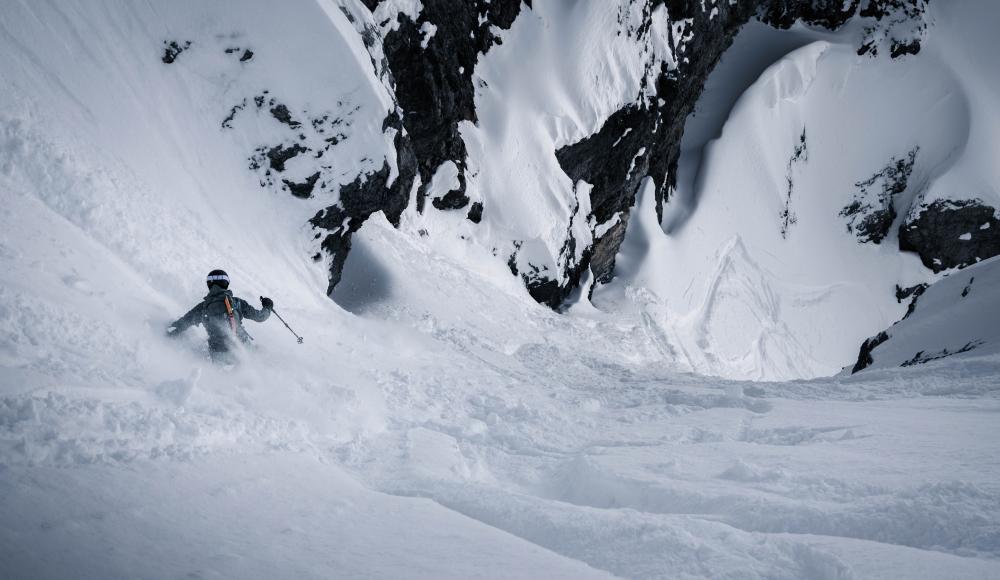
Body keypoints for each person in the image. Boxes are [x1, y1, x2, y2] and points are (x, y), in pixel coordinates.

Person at [167, 269, 274, 363]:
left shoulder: (202, 307)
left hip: (218, 354)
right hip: (242, 347)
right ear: (226, 283)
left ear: (209, 285)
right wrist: (267, 306)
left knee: (222, 381)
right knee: (260, 355)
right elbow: (260, 317)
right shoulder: (237, 302)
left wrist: (167, 333)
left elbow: (182, 323)